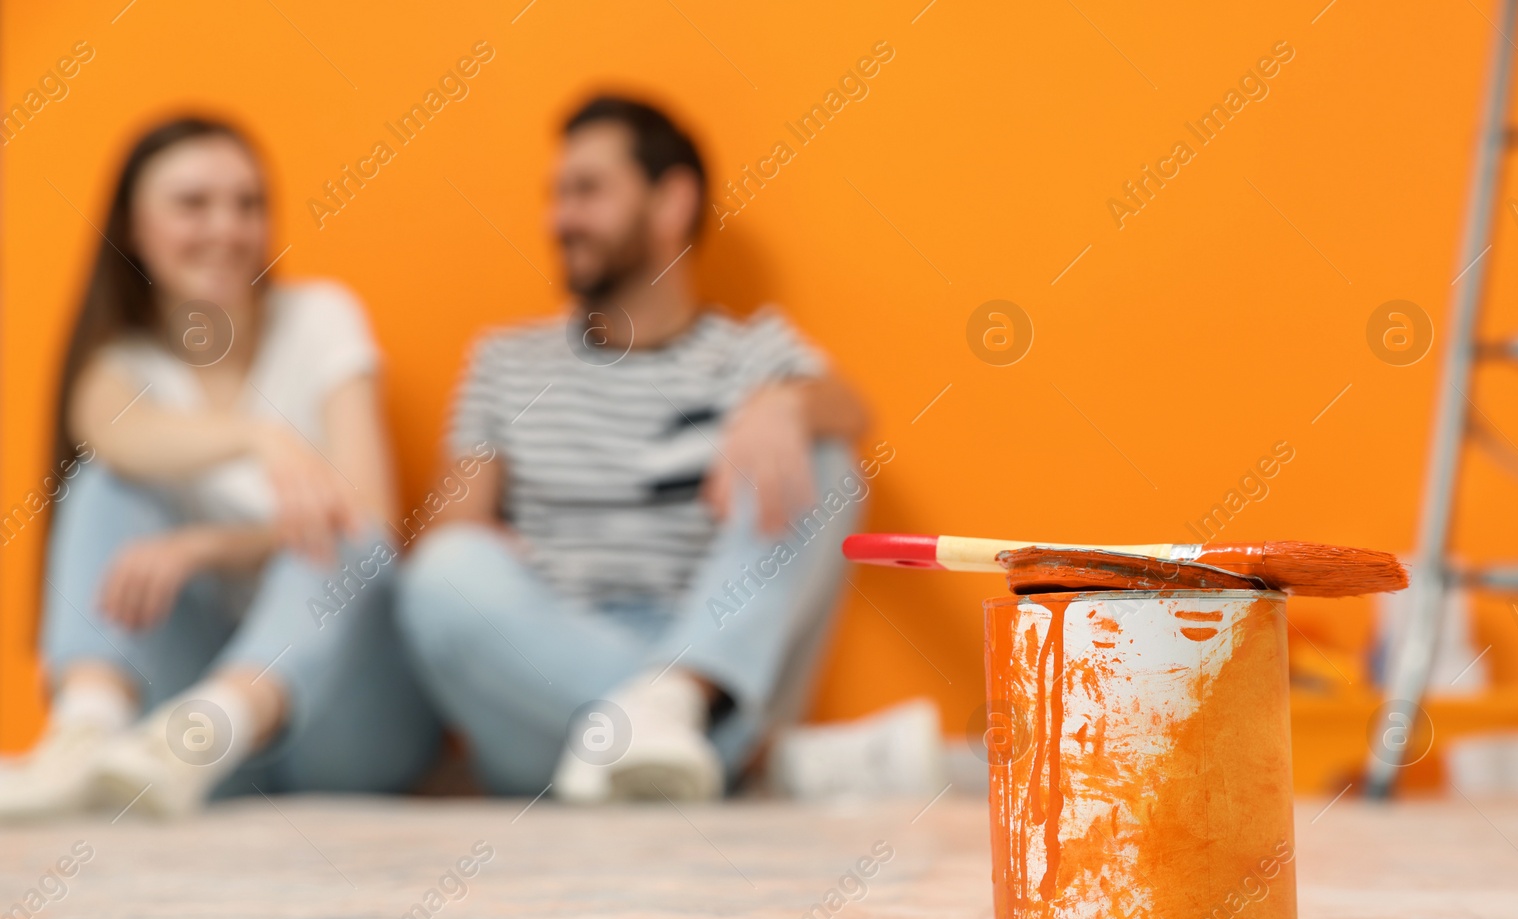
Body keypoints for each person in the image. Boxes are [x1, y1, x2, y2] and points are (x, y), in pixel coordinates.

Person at [396, 96, 871, 802]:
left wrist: (785, 403)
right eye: (556, 195)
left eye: (587, 191)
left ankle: (680, 699)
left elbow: (856, 410)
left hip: (703, 641)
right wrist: (484, 553)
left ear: (671, 202)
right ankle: (719, 746)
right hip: (542, 683)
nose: (559, 219)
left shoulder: (750, 355)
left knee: (828, 461)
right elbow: (449, 534)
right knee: (442, 573)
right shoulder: (506, 362)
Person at [0, 117, 438, 820]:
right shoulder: (120, 370)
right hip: (200, 752)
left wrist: (208, 547)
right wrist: (258, 437)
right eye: (193, 204)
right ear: (135, 228)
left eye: (248, 203)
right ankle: (85, 730)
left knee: (342, 529)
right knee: (101, 484)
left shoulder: (322, 319)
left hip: (343, 729)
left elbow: (375, 523)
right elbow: (114, 436)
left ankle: (206, 726)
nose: (227, 228)